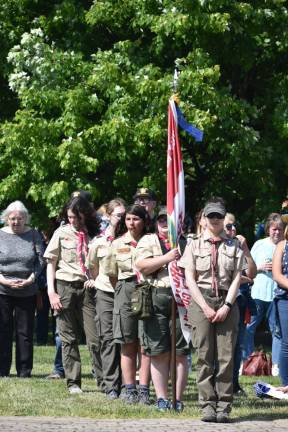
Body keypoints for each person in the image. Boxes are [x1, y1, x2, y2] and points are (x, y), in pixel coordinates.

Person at [178, 197, 244, 423]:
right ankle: (207, 404)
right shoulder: (194, 244)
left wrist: (227, 305)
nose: (215, 219)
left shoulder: (234, 245)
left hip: (227, 299)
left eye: (219, 215)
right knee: (204, 355)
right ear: (204, 219)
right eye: (211, 216)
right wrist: (205, 307)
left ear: (224, 218)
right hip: (201, 300)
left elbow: (237, 276)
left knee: (226, 357)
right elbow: (189, 278)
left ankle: (224, 406)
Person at [44, 195, 102, 394]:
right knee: (68, 337)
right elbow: (50, 263)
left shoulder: (95, 235)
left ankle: (104, 381)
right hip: (65, 286)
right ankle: (73, 382)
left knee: (95, 338)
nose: (73, 221)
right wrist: (51, 292)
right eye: (70, 217)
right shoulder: (61, 233)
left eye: (77, 217)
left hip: (88, 288)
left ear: (86, 215)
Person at [135, 206, 189, 412]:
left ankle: (178, 399)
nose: (165, 224)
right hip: (157, 295)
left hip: (182, 298)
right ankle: (162, 399)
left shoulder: (187, 241)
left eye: (169, 220)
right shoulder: (149, 240)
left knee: (181, 351)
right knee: (158, 351)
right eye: (161, 220)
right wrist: (167, 258)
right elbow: (141, 265)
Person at [103, 204, 151, 404]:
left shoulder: (151, 242)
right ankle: (129, 388)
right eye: (128, 219)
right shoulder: (117, 243)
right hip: (125, 288)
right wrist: (124, 290)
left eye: (136, 219)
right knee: (127, 341)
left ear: (144, 221)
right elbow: (112, 274)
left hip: (148, 290)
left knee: (146, 344)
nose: (132, 223)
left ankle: (144, 389)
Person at [86, 198, 126, 399]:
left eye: (125, 215)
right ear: (109, 216)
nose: (122, 219)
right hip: (105, 293)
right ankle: (111, 384)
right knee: (108, 338)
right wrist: (100, 282)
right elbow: (92, 268)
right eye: (118, 215)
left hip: (126, 293)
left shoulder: (130, 240)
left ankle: (128, 384)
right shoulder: (98, 242)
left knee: (127, 338)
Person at [0, 201, 44, 378]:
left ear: (26, 218)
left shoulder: (34, 234)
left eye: (20, 218)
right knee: (3, 329)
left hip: (27, 289)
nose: (16, 222)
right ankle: (2, 370)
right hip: (2, 289)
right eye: (12, 219)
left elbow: (41, 259)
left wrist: (31, 279)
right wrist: (3, 280)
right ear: (6, 219)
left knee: (24, 332)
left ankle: (24, 371)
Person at [243, 213, 284, 376]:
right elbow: (249, 266)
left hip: (277, 295)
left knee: (277, 331)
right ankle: (246, 360)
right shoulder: (259, 244)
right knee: (249, 328)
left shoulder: (285, 246)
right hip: (258, 293)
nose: (277, 232)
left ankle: (276, 364)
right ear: (268, 229)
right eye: (274, 229)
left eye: (280, 229)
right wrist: (260, 267)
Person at [223, 213, 257, 394]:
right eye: (229, 226)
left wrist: (245, 249)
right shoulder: (216, 245)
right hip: (220, 300)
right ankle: (218, 383)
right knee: (220, 345)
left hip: (239, 301)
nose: (233, 229)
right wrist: (240, 279)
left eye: (234, 226)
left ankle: (234, 384)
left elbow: (251, 273)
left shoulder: (239, 246)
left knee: (237, 345)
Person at [272, 224, 288, 388]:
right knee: (287, 343)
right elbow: (277, 274)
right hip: (285, 299)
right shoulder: (282, 245)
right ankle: (286, 384)